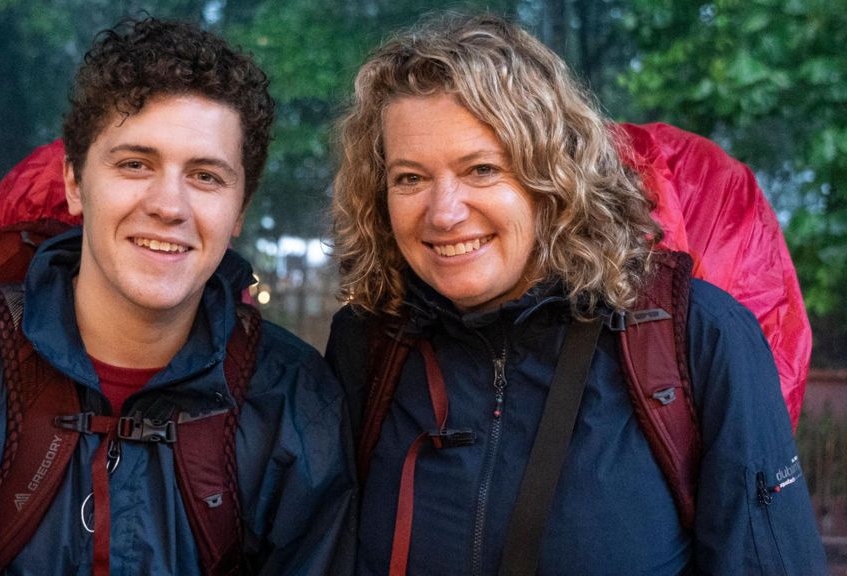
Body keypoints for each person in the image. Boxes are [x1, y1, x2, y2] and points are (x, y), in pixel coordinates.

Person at [0, 18, 354, 575]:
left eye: (205, 176)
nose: (168, 205)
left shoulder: (294, 404)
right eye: (135, 164)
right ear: (75, 183)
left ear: (239, 210)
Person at [326, 13, 827, 575]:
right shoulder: (370, 342)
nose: (443, 212)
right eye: (410, 178)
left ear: (553, 179)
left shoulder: (695, 337)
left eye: (483, 169)